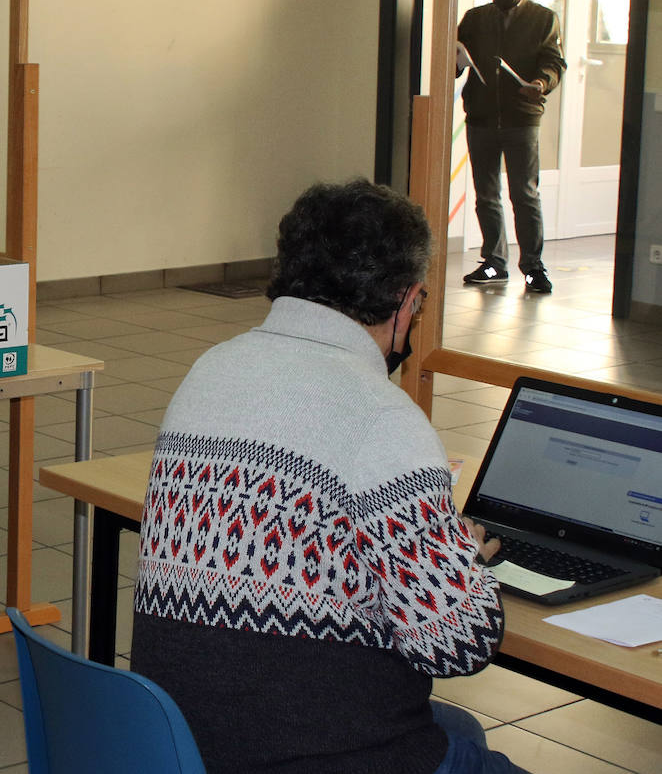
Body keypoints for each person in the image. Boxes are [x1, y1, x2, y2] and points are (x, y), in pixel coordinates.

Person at [131, 180, 523, 774]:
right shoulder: (383, 416)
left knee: (458, 727)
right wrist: (459, 557)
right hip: (311, 754)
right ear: (407, 300)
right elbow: (457, 643)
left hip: (183, 741)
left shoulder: (213, 368)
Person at [457, 0, 566, 294]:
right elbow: (453, 60)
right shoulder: (475, 19)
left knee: (525, 194)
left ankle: (533, 268)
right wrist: (456, 62)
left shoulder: (543, 19)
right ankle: (494, 263)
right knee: (486, 195)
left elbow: (554, 62)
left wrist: (541, 82)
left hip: (522, 118)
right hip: (482, 117)